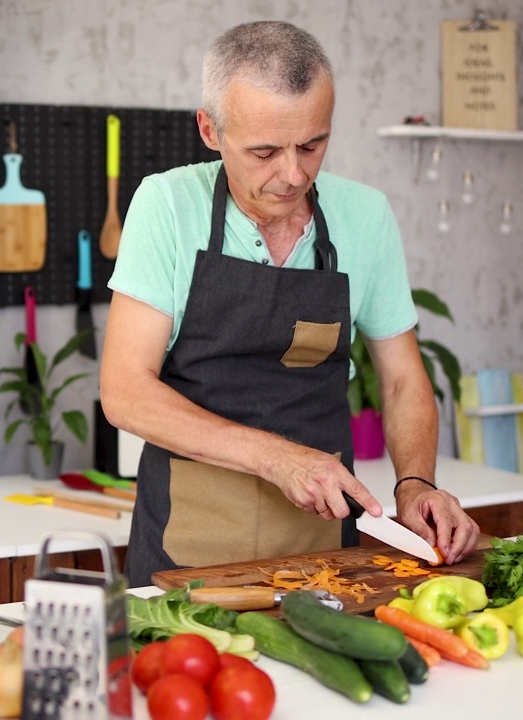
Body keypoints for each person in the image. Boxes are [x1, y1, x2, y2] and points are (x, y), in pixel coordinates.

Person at [100, 20, 480, 587]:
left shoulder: (365, 216)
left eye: (312, 144)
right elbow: (125, 392)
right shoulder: (166, 205)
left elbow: (402, 379)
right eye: (264, 151)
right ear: (210, 130)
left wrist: (415, 484)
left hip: (325, 557)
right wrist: (279, 459)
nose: (293, 174)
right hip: (186, 552)